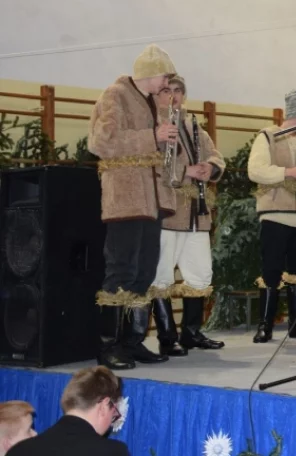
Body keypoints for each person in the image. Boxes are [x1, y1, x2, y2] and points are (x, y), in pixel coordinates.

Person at [89, 44, 178, 370]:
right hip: (126, 198)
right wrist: (151, 135)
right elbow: (101, 143)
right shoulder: (115, 95)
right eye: (164, 75)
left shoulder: (155, 101)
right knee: (121, 271)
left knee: (144, 272)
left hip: (151, 200)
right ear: (150, 73)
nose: (167, 81)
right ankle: (108, 346)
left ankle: (132, 342)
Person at [148, 75, 226, 356]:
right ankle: (167, 338)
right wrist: (185, 172)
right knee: (161, 277)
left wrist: (209, 167)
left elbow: (217, 157)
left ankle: (191, 332)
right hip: (169, 213)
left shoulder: (195, 127)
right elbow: (154, 167)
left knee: (201, 274)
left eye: (178, 91)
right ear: (158, 94)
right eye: (167, 90)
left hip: (197, 214)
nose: (173, 96)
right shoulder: (154, 125)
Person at [247, 90, 296, 343]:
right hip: (275, 213)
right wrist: (288, 172)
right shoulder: (268, 136)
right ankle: (265, 325)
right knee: (271, 269)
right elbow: (255, 170)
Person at [8, 367, 129, 456]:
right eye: (114, 414)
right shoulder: (112, 452)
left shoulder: (19, 450)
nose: (110, 424)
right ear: (103, 406)